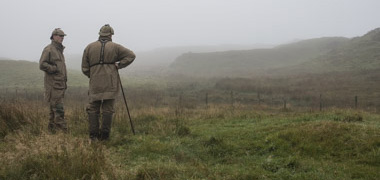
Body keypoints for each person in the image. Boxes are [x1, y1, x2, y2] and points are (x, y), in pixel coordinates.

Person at [82, 24, 136, 141]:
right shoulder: (115, 47)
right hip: (110, 82)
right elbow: (131, 55)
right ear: (111, 35)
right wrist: (119, 65)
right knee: (108, 109)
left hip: (95, 82)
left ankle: (93, 137)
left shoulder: (89, 47)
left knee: (93, 109)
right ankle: (105, 137)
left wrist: (93, 75)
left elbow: (84, 68)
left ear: (100, 34)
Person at [39, 28, 68, 133]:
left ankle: (51, 132)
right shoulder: (49, 49)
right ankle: (63, 133)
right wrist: (54, 69)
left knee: (53, 110)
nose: (62, 38)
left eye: (63, 36)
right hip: (53, 86)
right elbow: (42, 64)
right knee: (58, 109)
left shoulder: (59, 51)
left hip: (59, 85)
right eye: (60, 36)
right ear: (54, 36)